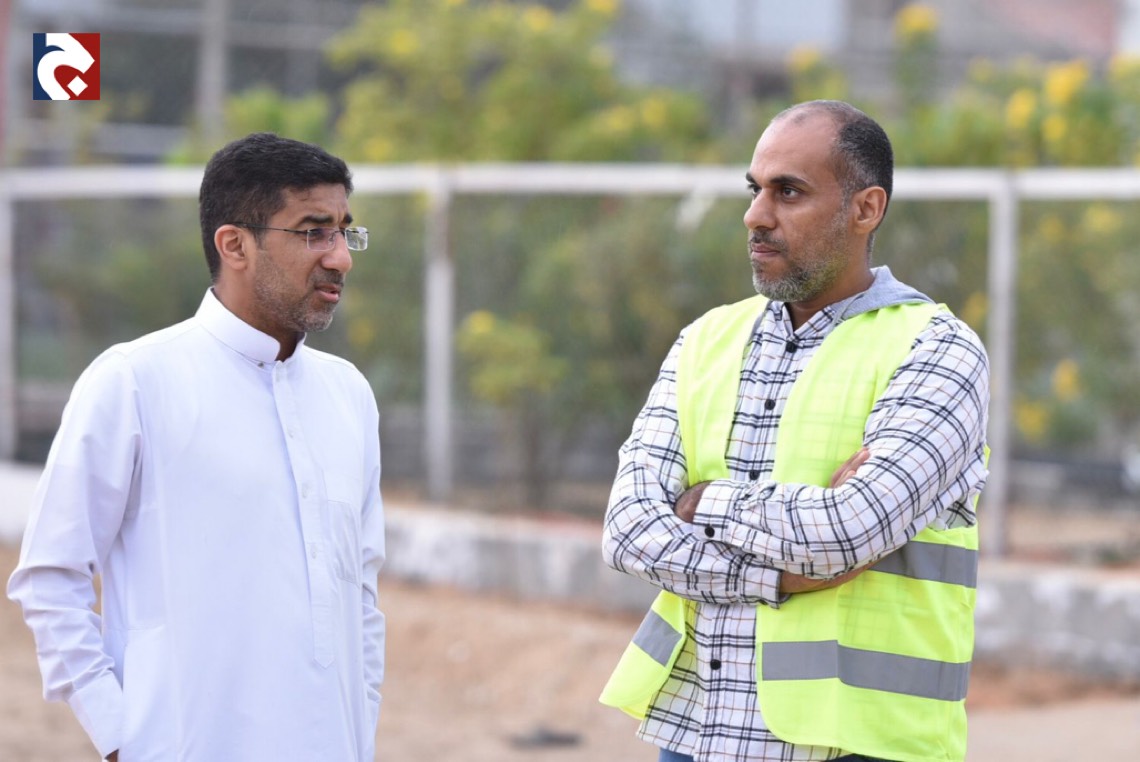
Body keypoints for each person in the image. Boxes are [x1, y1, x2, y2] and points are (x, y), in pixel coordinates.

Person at [599, 100, 989, 762]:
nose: (756, 214)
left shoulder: (937, 350)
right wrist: (779, 576)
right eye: (755, 189)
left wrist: (702, 502)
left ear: (866, 209)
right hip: (698, 734)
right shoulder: (706, 340)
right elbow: (628, 532)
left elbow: (847, 532)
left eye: (789, 192)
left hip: (861, 744)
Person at [7, 133, 386, 762]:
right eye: (314, 232)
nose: (341, 258)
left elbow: (362, 600)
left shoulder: (348, 395)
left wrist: (358, 736)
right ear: (234, 245)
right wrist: (122, 738)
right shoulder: (133, 381)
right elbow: (51, 576)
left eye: (345, 232)